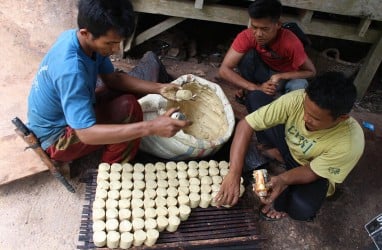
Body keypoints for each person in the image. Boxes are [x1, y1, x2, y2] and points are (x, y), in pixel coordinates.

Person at [27, 0, 191, 165]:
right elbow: (86, 133)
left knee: (126, 93)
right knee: (129, 109)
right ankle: (112, 169)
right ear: (85, 33)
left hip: (65, 113)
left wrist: (160, 88)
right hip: (56, 139)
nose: (114, 50)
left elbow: (114, 79)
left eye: (117, 42)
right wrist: (150, 127)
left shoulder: (79, 39)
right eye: (110, 43)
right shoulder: (72, 71)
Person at [215, 72, 365, 221]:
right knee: (256, 98)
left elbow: (313, 171)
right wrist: (234, 173)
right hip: (288, 143)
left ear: (341, 118)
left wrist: (283, 180)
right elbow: (246, 124)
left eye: (315, 118)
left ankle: (284, 171)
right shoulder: (297, 99)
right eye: (306, 109)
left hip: (310, 166)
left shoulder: (350, 143)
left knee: (301, 208)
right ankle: (277, 153)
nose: (305, 118)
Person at [218, 0, 316, 113]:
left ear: (278, 24)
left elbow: (311, 72)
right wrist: (254, 87)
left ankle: (283, 106)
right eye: (255, 27)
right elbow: (224, 70)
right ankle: (252, 91)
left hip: (286, 77)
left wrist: (281, 76)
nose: (258, 34)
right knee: (247, 56)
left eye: (265, 29)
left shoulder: (291, 42)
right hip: (263, 74)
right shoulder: (247, 36)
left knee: (300, 85)